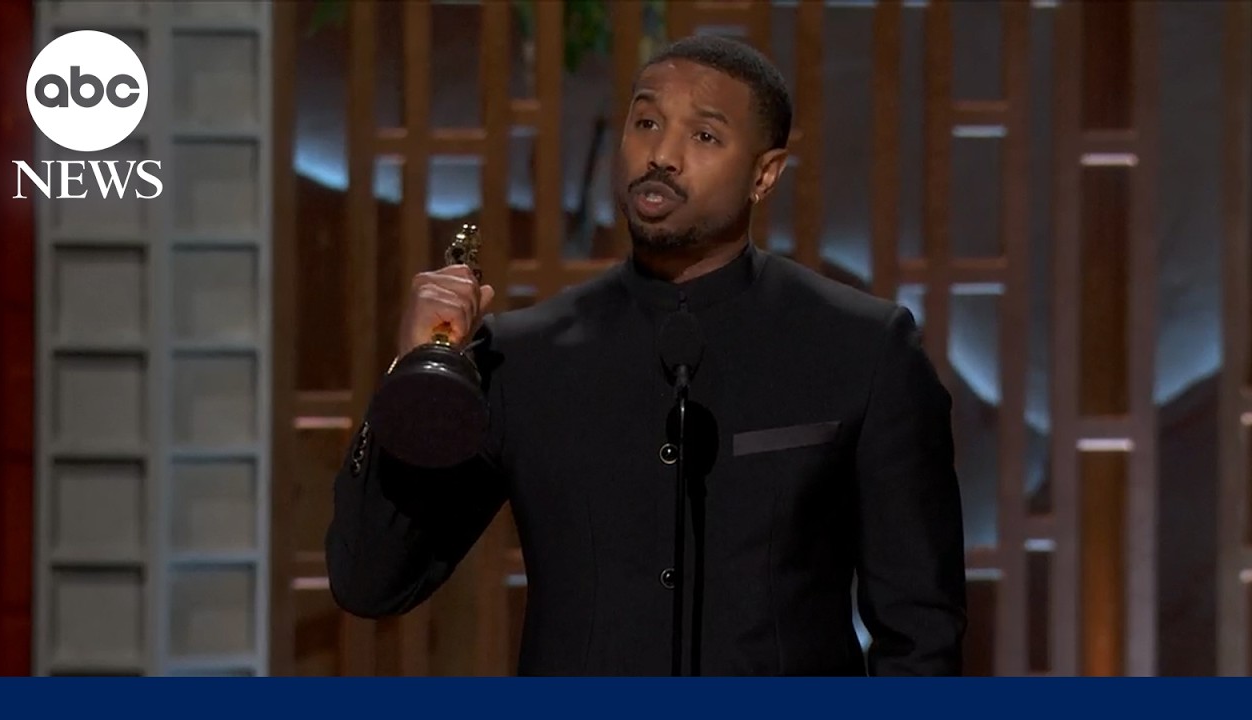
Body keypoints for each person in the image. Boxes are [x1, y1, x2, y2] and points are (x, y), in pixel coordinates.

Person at [326, 34, 967, 676]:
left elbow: (920, 634)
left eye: (704, 136)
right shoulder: (523, 358)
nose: (661, 155)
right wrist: (417, 375)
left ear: (765, 174)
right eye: (646, 123)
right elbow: (370, 582)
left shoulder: (861, 348)